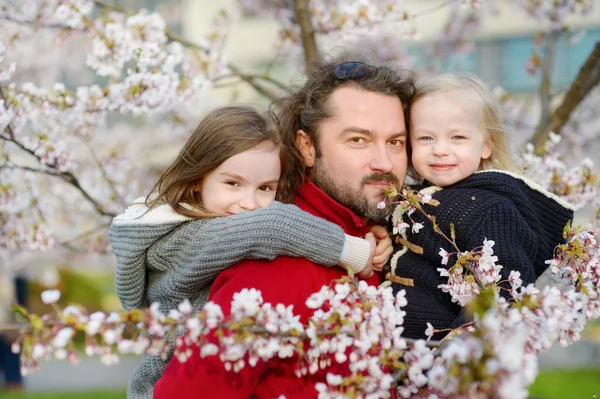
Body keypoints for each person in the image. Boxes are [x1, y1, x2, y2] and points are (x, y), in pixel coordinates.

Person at [153, 61, 415, 399]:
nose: (384, 162)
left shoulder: (389, 239)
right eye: (358, 140)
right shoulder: (275, 268)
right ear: (307, 147)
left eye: (395, 142)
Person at [110, 105, 393, 399]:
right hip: (163, 384)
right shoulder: (189, 236)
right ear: (196, 179)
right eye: (233, 183)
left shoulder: (217, 222)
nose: (250, 203)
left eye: (265, 188)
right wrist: (359, 252)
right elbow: (273, 224)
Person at [386, 73, 575, 339]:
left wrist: (464, 342)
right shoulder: (414, 196)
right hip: (393, 339)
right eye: (426, 138)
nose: (440, 149)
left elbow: (506, 288)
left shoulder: (488, 208)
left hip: (440, 350)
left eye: (457, 138)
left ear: (485, 146)